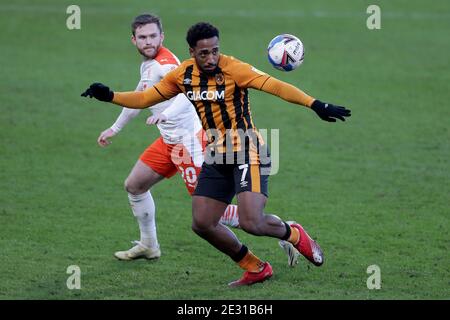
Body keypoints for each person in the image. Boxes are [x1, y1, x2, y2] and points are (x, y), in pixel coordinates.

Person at [82, 22, 351, 286]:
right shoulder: (183, 75)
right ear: (191, 52)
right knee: (202, 223)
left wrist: (315, 104)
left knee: (251, 222)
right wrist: (109, 95)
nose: (211, 58)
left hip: (248, 149)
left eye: (215, 51)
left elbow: (275, 86)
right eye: (204, 53)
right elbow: (144, 99)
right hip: (217, 154)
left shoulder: (235, 69)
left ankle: (294, 234)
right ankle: (255, 267)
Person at [93, 15, 299, 266]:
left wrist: (165, 114)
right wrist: (115, 128)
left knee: (211, 216)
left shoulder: (166, 65)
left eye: (153, 36)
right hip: (167, 142)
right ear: (133, 39)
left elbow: (186, 93)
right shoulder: (149, 64)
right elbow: (141, 96)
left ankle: (282, 230)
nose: (148, 42)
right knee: (135, 185)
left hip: (189, 143)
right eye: (143, 37)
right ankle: (149, 245)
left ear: (162, 37)